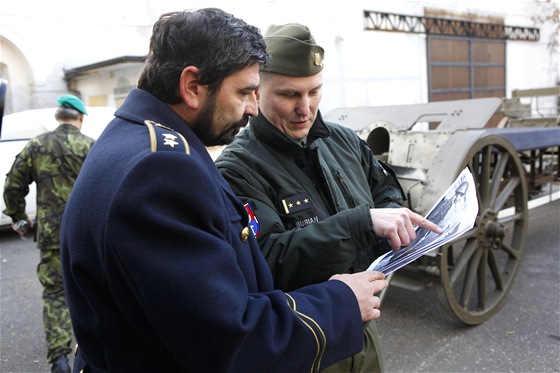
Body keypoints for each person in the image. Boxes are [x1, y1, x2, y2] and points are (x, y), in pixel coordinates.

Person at [60, 9, 389, 372]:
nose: (252, 108)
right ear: (192, 87)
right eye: (245, 91)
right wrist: (341, 301)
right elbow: (228, 340)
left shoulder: (138, 142)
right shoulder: (160, 172)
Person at [215, 23, 442, 372]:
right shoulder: (237, 169)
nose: (305, 109)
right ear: (257, 92)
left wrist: (393, 216)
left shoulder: (343, 140)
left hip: (362, 329)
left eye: (315, 92)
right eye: (290, 95)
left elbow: (384, 189)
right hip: (306, 342)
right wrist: (360, 223)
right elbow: (267, 260)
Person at [3, 94, 94, 373]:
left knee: (55, 292)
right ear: (79, 118)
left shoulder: (37, 145)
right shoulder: (90, 146)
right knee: (91, 289)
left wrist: (18, 218)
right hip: (85, 231)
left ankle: (59, 359)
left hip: (52, 232)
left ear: (58, 116)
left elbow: (13, 185)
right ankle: (91, 353)